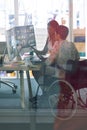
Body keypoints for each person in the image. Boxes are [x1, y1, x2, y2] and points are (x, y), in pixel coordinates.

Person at [32, 19, 60, 84]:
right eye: (47, 29)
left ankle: (46, 87)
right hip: (51, 61)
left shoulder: (59, 40)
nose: (48, 31)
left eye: (50, 29)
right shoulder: (49, 38)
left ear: (55, 29)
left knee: (38, 70)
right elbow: (44, 52)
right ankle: (44, 87)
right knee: (35, 69)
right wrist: (34, 50)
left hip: (57, 64)